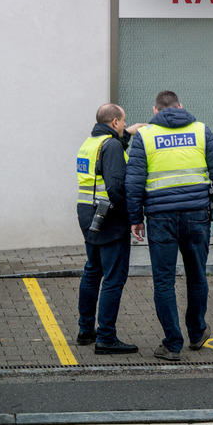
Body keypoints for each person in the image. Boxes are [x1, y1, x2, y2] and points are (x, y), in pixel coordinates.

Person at [125, 91, 213, 362]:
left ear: (155, 111)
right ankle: (197, 332)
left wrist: (135, 217)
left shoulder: (145, 136)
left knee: (164, 280)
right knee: (197, 274)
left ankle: (172, 343)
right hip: (197, 215)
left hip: (161, 218)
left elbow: (134, 181)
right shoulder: (200, 130)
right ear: (181, 107)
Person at [75, 103, 144, 354]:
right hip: (109, 217)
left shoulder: (89, 143)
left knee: (93, 271)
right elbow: (115, 185)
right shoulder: (112, 145)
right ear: (114, 122)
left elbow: (104, 164)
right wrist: (132, 215)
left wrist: (130, 133)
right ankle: (106, 337)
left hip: (88, 215)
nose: (125, 125)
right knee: (114, 278)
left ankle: (85, 330)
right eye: (124, 122)